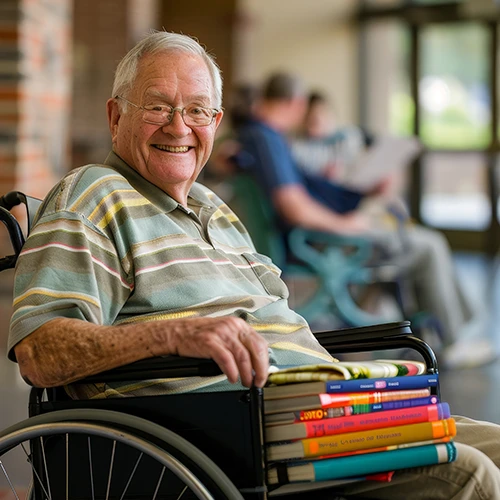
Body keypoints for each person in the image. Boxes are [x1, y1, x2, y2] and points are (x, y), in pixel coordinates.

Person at [6, 30, 500, 499]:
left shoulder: (212, 207)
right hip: (238, 437)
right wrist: (174, 335)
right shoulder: (92, 196)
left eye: (197, 110)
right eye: (157, 107)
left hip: (320, 409)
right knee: (470, 478)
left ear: (216, 124)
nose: (179, 126)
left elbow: (279, 321)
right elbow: (41, 350)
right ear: (116, 117)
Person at [236, 72, 496, 370]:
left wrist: (360, 193)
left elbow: (307, 191)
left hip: (314, 237)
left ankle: (443, 331)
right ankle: (452, 341)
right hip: (319, 242)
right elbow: (294, 206)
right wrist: (343, 224)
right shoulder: (266, 138)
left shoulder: (256, 137)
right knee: (429, 244)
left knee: (415, 242)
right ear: (296, 103)